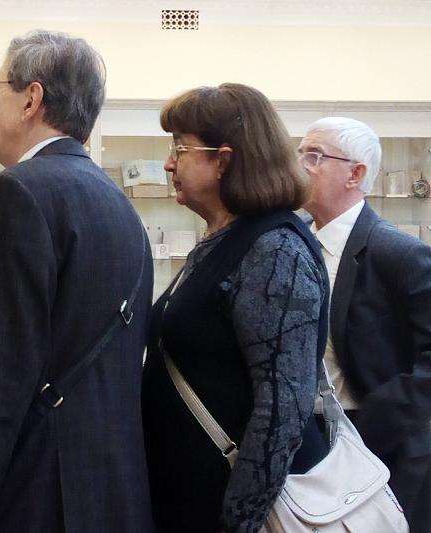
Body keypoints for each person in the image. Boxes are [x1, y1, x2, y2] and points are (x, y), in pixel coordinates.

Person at [0, 30, 155, 533]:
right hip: (108, 489)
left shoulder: (18, 192)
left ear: (31, 99)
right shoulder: (118, 202)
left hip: (38, 491)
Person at [141, 84, 330, 533]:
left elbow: (283, 408)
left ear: (223, 160)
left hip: (225, 507)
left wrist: (238, 521)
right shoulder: (225, 238)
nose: (169, 163)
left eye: (180, 148)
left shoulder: (275, 249)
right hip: (188, 495)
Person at [299, 116, 431, 532]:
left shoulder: (399, 253)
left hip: (382, 446)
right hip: (307, 441)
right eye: (300, 154)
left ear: (355, 174)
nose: (301, 165)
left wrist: (377, 418)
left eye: (315, 156)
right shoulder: (292, 241)